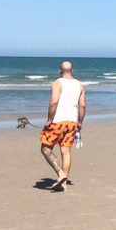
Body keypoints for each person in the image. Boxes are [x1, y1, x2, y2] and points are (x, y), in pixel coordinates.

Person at [39, 60, 86, 191]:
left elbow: (53, 102)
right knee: (65, 152)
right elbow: (82, 105)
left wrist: (49, 119)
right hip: (72, 122)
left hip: (58, 122)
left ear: (60, 71)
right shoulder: (80, 85)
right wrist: (80, 122)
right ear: (72, 70)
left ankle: (61, 174)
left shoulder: (57, 83)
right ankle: (63, 184)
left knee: (45, 149)